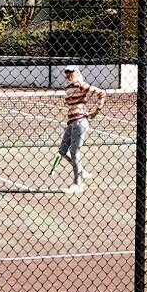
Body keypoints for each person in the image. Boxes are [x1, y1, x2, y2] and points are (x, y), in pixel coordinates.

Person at [54, 65, 103, 195]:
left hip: (80, 121)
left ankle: (78, 183)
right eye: (67, 72)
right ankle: (82, 171)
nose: (69, 74)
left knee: (74, 152)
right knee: (63, 151)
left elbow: (101, 93)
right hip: (71, 122)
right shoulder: (68, 87)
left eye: (71, 71)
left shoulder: (80, 84)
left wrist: (97, 110)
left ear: (77, 72)